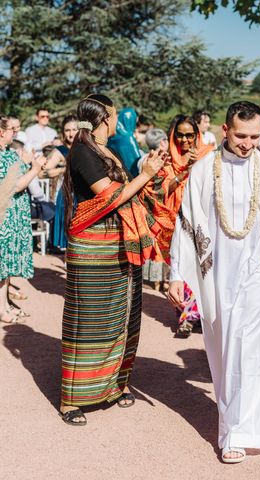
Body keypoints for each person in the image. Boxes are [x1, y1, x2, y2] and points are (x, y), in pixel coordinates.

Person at [168, 101, 260, 463]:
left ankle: (242, 433)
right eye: (241, 136)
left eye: (255, 137)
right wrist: (177, 274)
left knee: (254, 351)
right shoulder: (203, 170)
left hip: (257, 272)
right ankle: (231, 423)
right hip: (217, 275)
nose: (248, 144)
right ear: (225, 131)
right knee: (225, 349)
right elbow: (186, 223)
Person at [59, 94, 170, 426]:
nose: (118, 121)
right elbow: (110, 196)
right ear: (105, 118)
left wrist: (153, 169)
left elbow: (128, 190)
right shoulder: (82, 151)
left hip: (121, 243)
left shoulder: (106, 150)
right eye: (115, 115)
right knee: (88, 319)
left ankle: (115, 385)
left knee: (123, 315)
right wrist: (146, 173)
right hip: (93, 247)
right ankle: (71, 399)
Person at [164, 115, 215, 337]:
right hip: (176, 219)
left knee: (201, 267)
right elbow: (162, 189)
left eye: (189, 135)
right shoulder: (168, 158)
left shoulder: (210, 155)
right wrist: (186, 169)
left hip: (203, 220)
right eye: (180, 135)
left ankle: (197, 315)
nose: (184, 140)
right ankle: (186, 315)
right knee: (181, 266)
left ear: (197, 135)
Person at [0, 116, 46, 323]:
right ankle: (2, 309)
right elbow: (14, 185)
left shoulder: (8, 153)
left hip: (14, 215)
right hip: (5, 215)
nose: (15, 133)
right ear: (1, 131)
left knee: (7, 264)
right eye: (12, 130)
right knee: (2, 264)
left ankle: (5, 305)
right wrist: (35, 169)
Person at [139, 128, 170, 291]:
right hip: (155, 206)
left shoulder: (144, 158)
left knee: (157, 242)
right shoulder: (153, 160)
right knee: (159, 242)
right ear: (162, 142)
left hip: (152, 206)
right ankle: (159, 279)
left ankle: (159, 279)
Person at [46, 115, 78, 251]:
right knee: (69, 239)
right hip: (67, 197)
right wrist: (63, 169)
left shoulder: (87, 148)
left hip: (84, 196)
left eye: (74, 129)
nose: (71, 134)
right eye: (67, 130)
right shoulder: (60, 151)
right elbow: (43, 172)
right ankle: (69, 270)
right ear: (63, 132)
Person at [107, 107, 143, 176]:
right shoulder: (128, 138)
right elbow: (137, 162)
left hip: (115, 174)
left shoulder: (112, 136)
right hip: (130, 178)